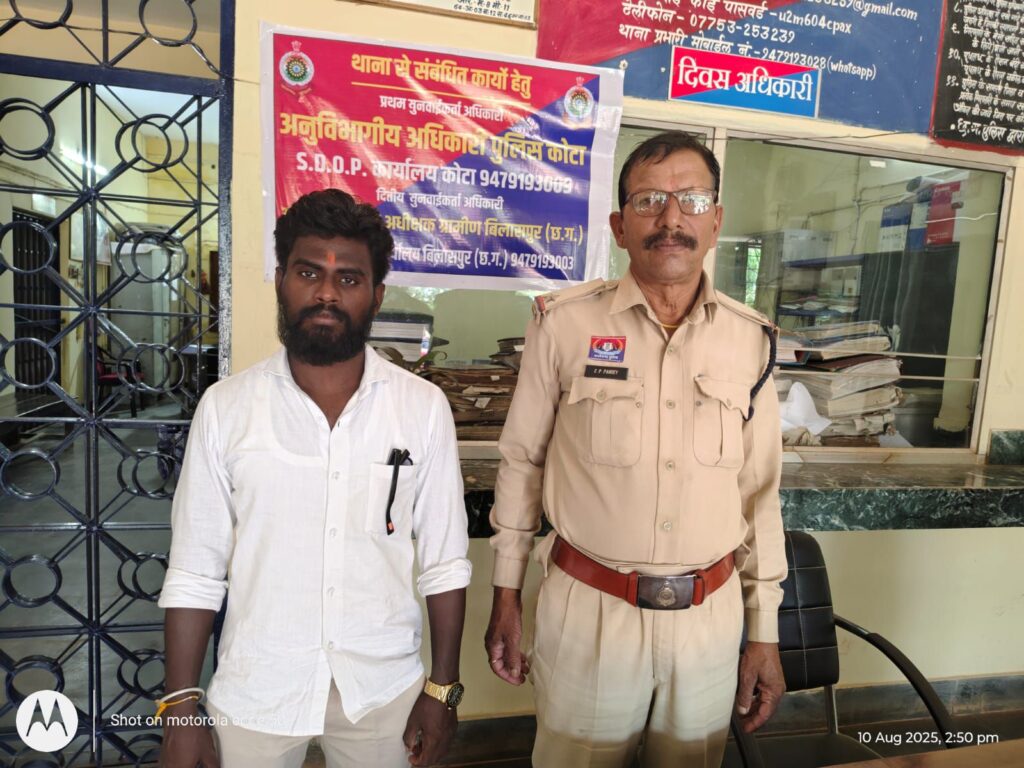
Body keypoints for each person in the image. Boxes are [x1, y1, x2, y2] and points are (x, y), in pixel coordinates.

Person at [484, 131, 787, 768]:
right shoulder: (564, 323)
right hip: (590, 614)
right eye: (649, 201)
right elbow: (522, 461)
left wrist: (763, 629)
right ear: (620, 227)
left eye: (691, 200)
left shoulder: (751, 340)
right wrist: (505, 590)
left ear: (716, 221)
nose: (671, 218)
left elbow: (760, 494)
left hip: (709, 621)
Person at [158, 189, 471, 768]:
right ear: (281, 280)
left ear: (377, 295)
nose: (327, 293)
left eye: (348, 278)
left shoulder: (421, 408)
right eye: (308, 273)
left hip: (384, 691)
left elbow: (445, 562)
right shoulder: (226, 408)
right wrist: (180, 706)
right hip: (256, 688)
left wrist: (442, 689)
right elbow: (195, 571)